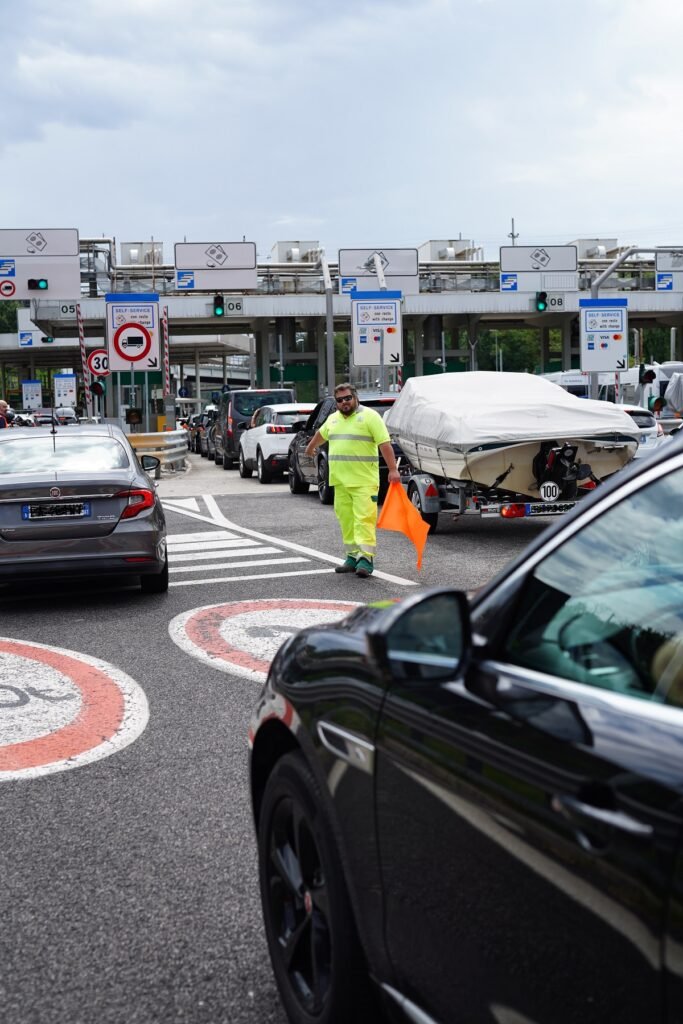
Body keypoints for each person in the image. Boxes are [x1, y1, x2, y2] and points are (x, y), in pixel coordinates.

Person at [305, 383, 400, 578]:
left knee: (363, 520)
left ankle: (366, 558)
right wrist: (310, 447)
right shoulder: (333, 419)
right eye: (339, 400)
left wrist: (393, 470)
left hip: (364, 481)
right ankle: (351, 556)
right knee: (346, 521)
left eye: (347, 398)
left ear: (355, 397)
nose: (344, 402)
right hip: (340, 482)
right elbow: (321, 434)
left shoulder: (370, 417)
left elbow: (385, 444)